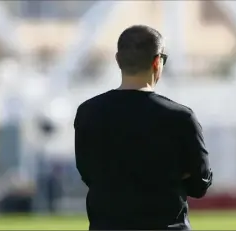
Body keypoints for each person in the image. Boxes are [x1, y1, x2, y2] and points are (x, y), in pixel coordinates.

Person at [74, 25, 213, 230]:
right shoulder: (180, 117)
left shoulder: (88, 112)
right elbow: (200, 183)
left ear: (118, 60)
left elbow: (88, 173)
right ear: (157, 62)